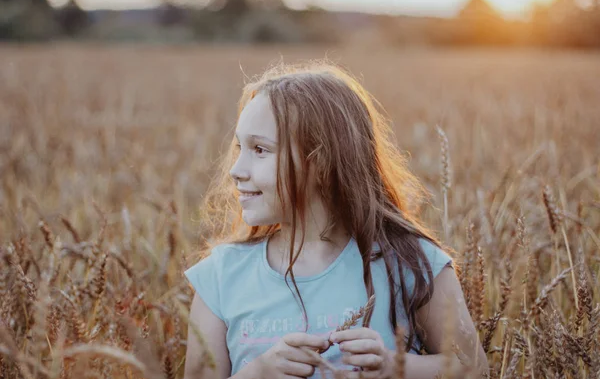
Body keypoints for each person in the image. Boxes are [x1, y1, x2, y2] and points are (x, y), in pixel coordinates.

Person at [183, 60, 488, 379]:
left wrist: (393, 367)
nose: (236, 169)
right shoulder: (220, 277)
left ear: (323, 159)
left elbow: (474, 368)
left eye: (260, 149)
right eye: (239, 148)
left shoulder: (412, 262)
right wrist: (257, 374)